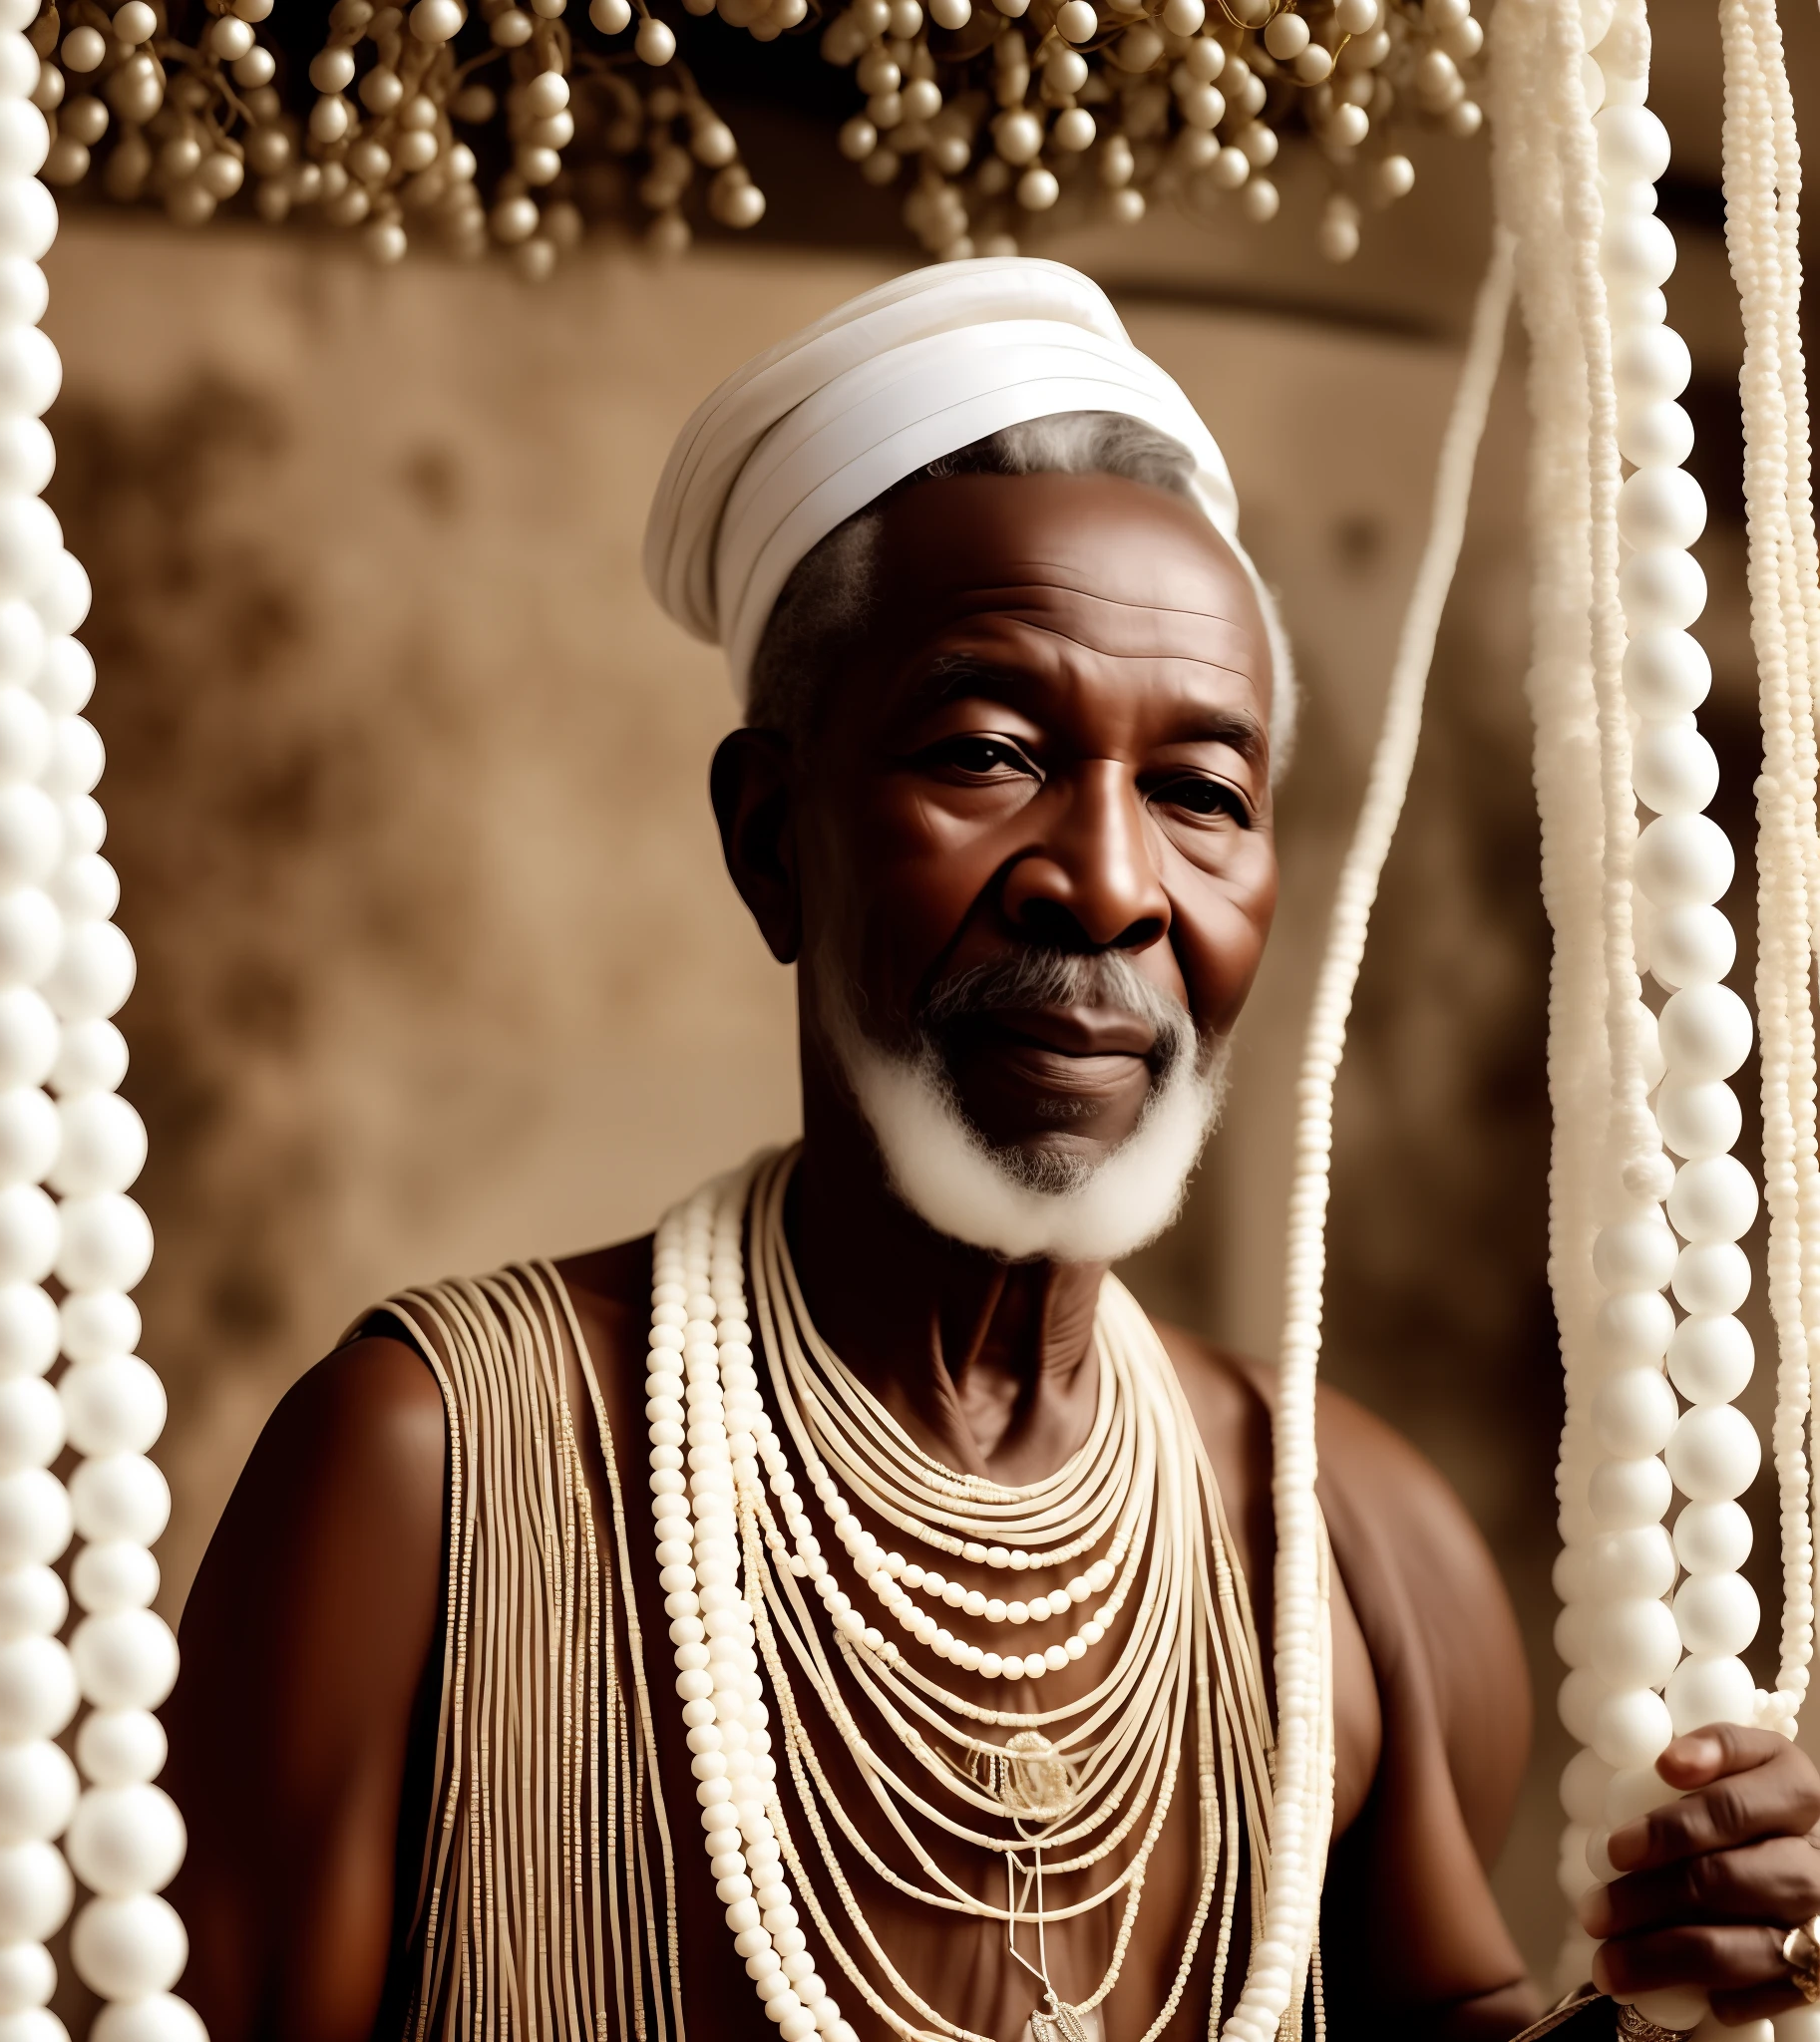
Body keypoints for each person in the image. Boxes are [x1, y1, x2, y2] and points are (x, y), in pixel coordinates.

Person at [161, 259, 1820, 2042]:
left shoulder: (1349, 1547)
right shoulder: (435, 1482)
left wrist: (1681, 1993)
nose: (1107, 885)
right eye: (988, 751)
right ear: (769, 838)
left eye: (1201, 793)